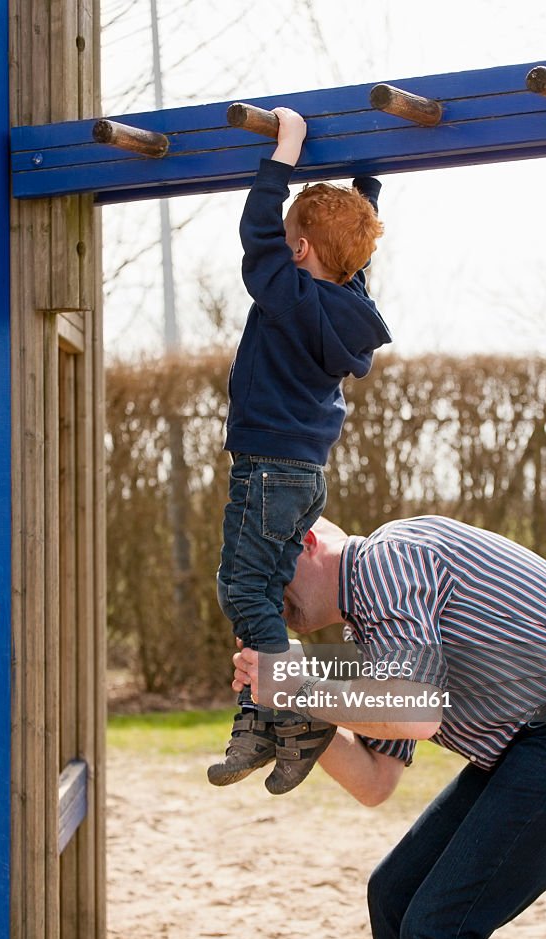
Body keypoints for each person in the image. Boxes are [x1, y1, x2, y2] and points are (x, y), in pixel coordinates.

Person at [232, 515, 546, 939]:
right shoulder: (367, 630)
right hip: (541, 741)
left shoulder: (385, 560)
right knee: (395, 896)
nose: (272, 602)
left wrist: (301, 688)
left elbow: (414, 714)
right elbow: (375, 781)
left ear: (305, 542)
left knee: (442, 931)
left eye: (270, 579)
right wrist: (298, 710)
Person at [208, 108, 391, 796]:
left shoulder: (286, 295)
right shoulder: (348, 307)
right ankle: (263, 718)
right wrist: (365, 187)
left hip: (266, 469)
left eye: (289, 242)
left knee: (244, 588)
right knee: (262, 593)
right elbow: (352, 257)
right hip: (303, 473)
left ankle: (288, 713)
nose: (278, 247)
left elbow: (258, 232)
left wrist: (285, 154)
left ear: (301, 252)